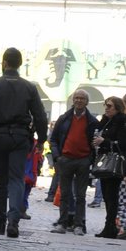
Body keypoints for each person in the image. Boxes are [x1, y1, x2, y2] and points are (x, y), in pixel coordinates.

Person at [0, 47, 48, 238]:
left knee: (0, 181)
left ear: (4, 63)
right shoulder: (29, 87)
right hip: (21, 137)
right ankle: (14, 220)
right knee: (17, 179)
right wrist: (42, 139)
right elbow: (40, 115)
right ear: (20, 64)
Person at [48, 88, 99, 235]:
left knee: (80, 195)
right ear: (73, 100)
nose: (78, 100)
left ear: (87, 102)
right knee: (64, 194)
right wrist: (58, 157)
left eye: (82, 98)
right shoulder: (64, 118)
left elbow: (95, 142)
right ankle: (62, 223)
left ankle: (78, 225)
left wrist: (90, 159)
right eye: (76, 98)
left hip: (83, 160)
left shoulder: (92, 121)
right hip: (66, 159)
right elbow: (53, 139)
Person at [93, 95, 126, 238]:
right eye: (105, 105)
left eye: (109, 106)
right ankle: (109, 226)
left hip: (114, 164)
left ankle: (110, 227)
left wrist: (104, 141)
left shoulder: (122, 123)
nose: (106, 108)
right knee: (106, 196)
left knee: (112, 197)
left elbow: (122, 144)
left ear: (117, 107)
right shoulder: (105, 122)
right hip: (104, 163)